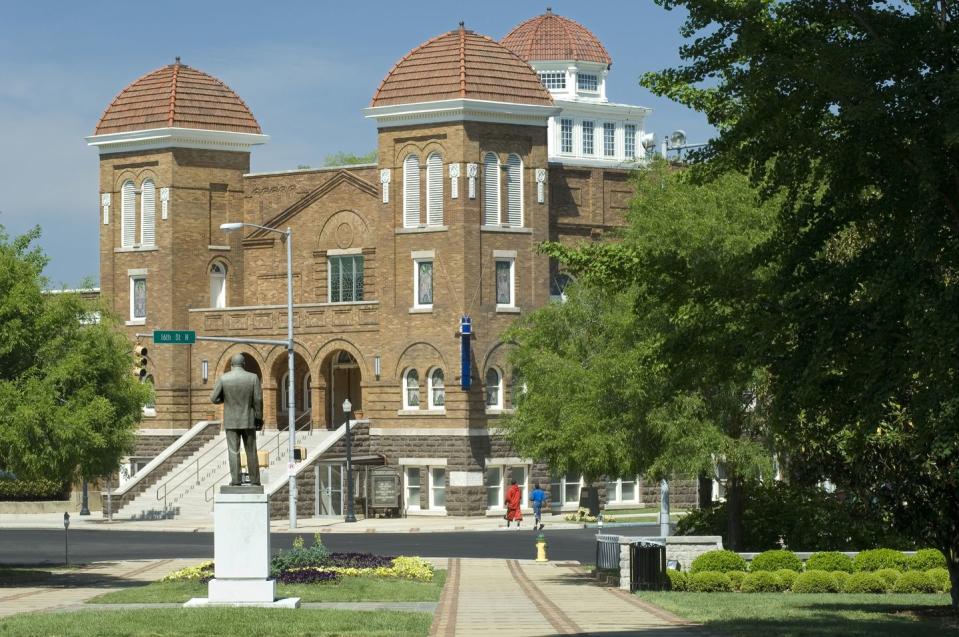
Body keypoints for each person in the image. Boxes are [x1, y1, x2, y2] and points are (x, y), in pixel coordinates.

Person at [211, 353, 264, 486]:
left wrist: (226, 399)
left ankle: (235, 480)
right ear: (244, 364)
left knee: (233, 451)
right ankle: (255, 480)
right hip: (248, 420)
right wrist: (259, 418)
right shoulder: (253, 378)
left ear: (231, 364)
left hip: (231, 421)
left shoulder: (224, 378)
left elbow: (214, 398)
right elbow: (258, 400)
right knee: (251, 450)